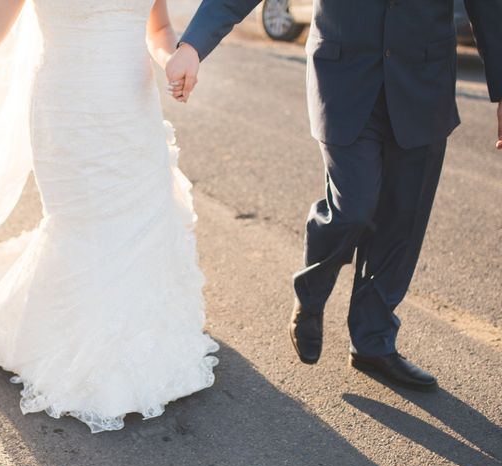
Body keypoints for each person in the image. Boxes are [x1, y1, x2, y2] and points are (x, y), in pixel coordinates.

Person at [0, 0, 218, 433]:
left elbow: (158, 27)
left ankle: (140, 340)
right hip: (67, 111)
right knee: (86, 227)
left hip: (132, 108)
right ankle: (88, 354)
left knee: (138, 217)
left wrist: (176, 58)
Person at [166, 0, 502, 391]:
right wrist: (192, 45)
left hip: (423, 80)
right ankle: (311, 291)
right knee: (353, 205)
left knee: (403, 220)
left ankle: (373, 342)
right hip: (345, 76)